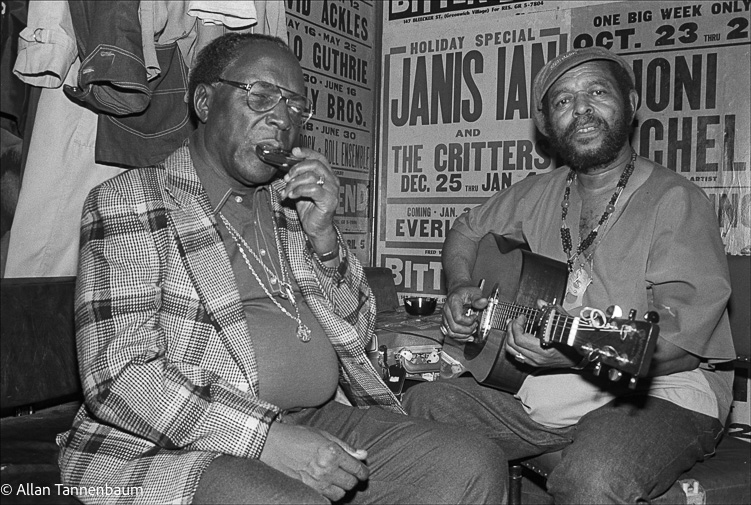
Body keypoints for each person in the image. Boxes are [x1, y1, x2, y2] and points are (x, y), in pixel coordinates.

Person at [56, 33, 506, 504]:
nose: (282, 119)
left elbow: (362, 332)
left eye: (295, 106)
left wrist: (325, 239)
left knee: (472, 464)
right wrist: (267, 439)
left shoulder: (292, 208)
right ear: (205, 102)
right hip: (172, 447)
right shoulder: (134, 201)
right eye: (261, 96)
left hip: (313, 417)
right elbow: (118, 376)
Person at [403, 46, 736, 504]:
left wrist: (573, 356)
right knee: (424, 405)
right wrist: (461, 285)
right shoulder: (540, 190)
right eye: (562, 101)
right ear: (546, 125)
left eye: (597, 92)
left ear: (631, 104)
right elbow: (465, 230)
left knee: (593, 475)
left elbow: (677, 347)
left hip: (663, 391)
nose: (580, 108)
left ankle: (593, 445)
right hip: (550, 389)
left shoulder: (675, 201)